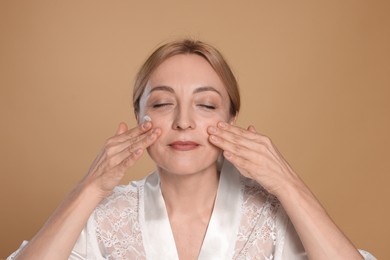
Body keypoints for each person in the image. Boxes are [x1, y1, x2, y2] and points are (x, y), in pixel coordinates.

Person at [8, 39, 375, 260]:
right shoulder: (103, 216)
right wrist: (89, 188)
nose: (183, 121)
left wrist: (288, 184)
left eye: (206, 105)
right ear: (139, 117)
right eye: (163, 103)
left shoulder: (273, 215)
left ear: (231, 118)